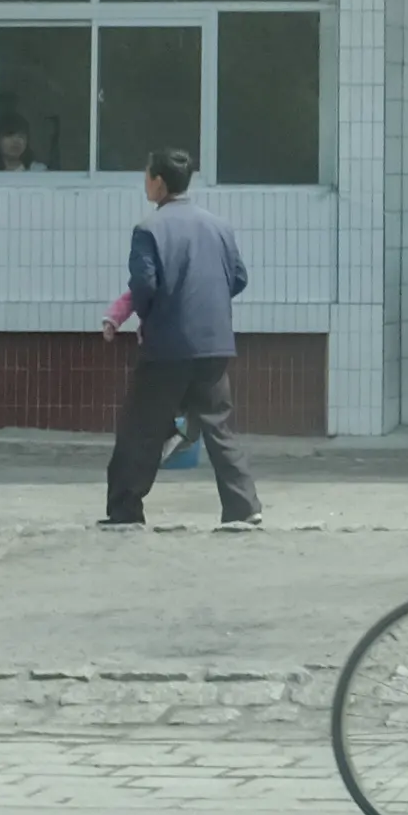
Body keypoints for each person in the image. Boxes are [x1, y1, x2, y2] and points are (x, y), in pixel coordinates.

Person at [101, 151, 260, 531]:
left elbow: (144, 285)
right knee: (219, 425)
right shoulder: (219, 226)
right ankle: (243, 507)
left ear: (158, 181)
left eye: (146, 176)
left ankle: (125, 510)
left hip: (167, 346)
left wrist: (149, 315)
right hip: (215, 342)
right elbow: (238, 278)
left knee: (140, 428)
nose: (144, 183)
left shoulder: (149, 229)